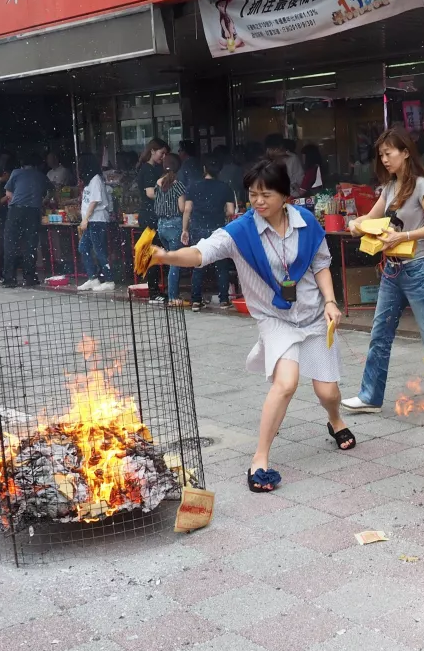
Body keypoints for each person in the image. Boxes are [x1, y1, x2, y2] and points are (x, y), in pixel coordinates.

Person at [150, 159, 354, 493]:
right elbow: (201, 254)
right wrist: (167, 256)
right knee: (285, 383)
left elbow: (321, 265)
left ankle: (335, 420)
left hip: (313, 315)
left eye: (266, 194)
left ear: (285, 196)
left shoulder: (307, 223)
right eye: (252, 194)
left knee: (327, 392)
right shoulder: (240, 231)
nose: (258, 201)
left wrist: (331, 302)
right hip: (275, 318)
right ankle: (260, 459)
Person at [342, 128, 424, 418]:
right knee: (379, 335)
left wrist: (404, 236)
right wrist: (354, 223)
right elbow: (370, 218)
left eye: (389, 153)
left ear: (406, 152)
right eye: (381, 154)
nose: (384, 159)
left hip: (418, 269)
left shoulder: (422, 185)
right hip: (392, 271)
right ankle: (370, 396)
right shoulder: (389, 188)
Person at [178, 163, 236, 311]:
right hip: (217, 229)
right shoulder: (225, 187)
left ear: (204, 169)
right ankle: (224, 300)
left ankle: (196, 301)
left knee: (198, 264)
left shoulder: (193, 186)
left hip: (197, 229)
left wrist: (185, 229)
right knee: (221, 265)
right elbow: (230, 211)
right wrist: (219, 213)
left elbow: (187, 209)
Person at [2, 151, 51, 288]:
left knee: (11, 243)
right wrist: (39, 201)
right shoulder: (41, 176)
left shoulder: (16, 173)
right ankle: (29, 278)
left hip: (16, 210)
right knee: (30, 245)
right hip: (33, 211)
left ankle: (9, 279)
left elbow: (8, 194)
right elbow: (50, 192)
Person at [135, 139, 170, 302]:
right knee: (153, 253)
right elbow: (150, 193)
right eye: (161, 153)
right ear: (153, 151)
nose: (163, 157)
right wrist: (169, 196)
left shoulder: (151, 168)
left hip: (151, 215)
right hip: (150, 216)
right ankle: (154, 292)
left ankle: (155, 290)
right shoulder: (147, 169)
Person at [153, 154, 187, 305]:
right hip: (174, 225)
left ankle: (171, 291)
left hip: (161, 225)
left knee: (171, 261)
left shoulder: (158, 183)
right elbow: (181, 207)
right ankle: (173, 296)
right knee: (175, 262)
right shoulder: (178, 185)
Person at [77, 161, 115, 293]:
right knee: (83, 247)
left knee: (99, 251)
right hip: (91, 220)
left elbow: (95, 201)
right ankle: (93, 277)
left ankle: (109, 280)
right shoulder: (90, 181)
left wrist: (86, 219)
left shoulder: (96, 180)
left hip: (97, 220)